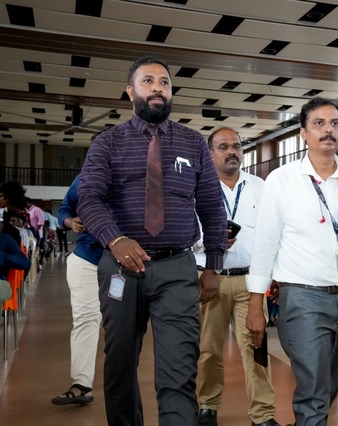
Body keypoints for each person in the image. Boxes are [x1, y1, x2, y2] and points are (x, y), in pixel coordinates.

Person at [77, 55, 228, 426]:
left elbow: (212, 206)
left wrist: (213, 265)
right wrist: (115, 239)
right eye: (148, 81)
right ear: (131, 92)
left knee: (179, 367)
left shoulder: (193, 143)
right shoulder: (108, 143)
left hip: (177, 268)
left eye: (164, 82)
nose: (158, 88)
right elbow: (89, 198)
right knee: (120, 364)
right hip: (121, 269)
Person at [246, 97, 338, 426]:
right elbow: (265, 244)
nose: (328, 130)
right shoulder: (282, 180)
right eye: (319, 123)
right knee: (314, 386)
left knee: (331, 380)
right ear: (303, 133)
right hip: (302, 299)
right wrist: (255, 304)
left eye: (335, 123)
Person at [194, 127, 280, 426]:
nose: (232, 151)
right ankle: (207, 405)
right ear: (210, 154)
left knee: (257, 347)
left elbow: (272, 233)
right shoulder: (198, 187)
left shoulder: (260, 187)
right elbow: (186, 231)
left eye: (236, 146)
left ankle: (263, 414)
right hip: (210, 278)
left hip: (251, 282)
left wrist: (273, 274)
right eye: (223, 147)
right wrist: (209, 242)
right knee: (208, 350)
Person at [51, 175, 103, 406]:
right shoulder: (85, 178)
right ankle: (82, 384)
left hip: (127, 263)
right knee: (86, 319)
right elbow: (64, 210)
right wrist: (71, 222)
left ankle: (122, 383)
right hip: (87, 258)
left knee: (125, 326)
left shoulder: (140, 174)